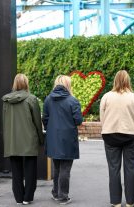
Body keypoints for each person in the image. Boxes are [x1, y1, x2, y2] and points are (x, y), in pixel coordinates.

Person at [99, 70, 134, 207]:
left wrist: (106, 128)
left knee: (113, 169)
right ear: (128, 80)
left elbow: (102, 117)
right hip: (130, 134)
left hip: (110, 134)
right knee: (130, 168)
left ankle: (116, 201)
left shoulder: (106, 96)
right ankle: (130, 201)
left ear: (115, 80)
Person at [2, 74, 44, 205]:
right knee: (30, 169)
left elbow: (5, 122)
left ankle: (19, 198)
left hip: (12, 140)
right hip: (29, 139)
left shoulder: (6, 100)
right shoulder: (31, 99)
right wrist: (41, 139)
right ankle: (28, 198)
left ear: (14, 84)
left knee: (16, 171)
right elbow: (37, 121)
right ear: (26, 83)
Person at [43, 75, 83, 205]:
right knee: (65, 168)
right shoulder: (73, 100)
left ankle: (56, 193)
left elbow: (45, 119)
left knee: (57, 167)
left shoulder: (48, 99)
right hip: (68, 138)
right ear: (68, 85)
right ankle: (63, 196)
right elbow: (78, 121)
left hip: (53, 137)